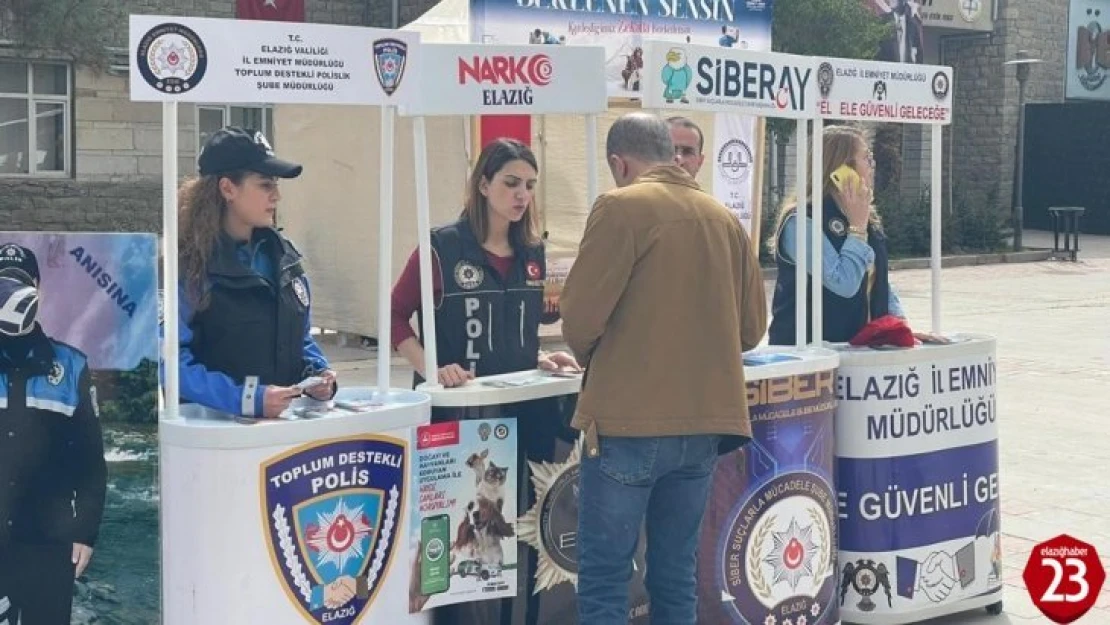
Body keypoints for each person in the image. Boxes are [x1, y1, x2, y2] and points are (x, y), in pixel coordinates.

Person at [560, 112, 767, 625]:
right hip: (704, 425)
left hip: (627, 422)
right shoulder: (722, 217)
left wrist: (596, 355)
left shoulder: (618, 206)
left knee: (606, 576)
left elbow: (580, 319)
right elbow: (752, 329)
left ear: (619, 162)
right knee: (675, 573)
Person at [391, 138, 578, 625]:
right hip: (462, 420)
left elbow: (517, 333)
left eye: (530, 186)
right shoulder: (441, 246)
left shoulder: (534, 253)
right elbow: (393, 317)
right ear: (483, 185)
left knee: (521, 531)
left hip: (527, 414)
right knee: (463, 542)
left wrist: (542, 358)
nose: (522, 195)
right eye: (511, 183)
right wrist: (431, 367)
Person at [171, 126, 337, 418]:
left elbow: (300, 337)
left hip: (282, 438)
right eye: (265, 185)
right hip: (213, 437)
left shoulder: (286, 257)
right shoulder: (187, 266)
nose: (276, 197)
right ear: (227, 188)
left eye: (276, 184)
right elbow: (169, 362)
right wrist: (245, 399)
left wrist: (318, 373)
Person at [0, 243, 107, 624]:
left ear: (37, 288)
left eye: (19, 283)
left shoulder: (71, 366)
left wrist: (85, 531)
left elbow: (92, 461)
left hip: (49, 542)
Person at [767, 124, 911, 345]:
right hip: (808, 352)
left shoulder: (864, 215)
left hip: (858, 348)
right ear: (842, 169)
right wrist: (856, 230)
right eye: (866, 158)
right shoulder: (800, 220)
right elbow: (844, 284)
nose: (872, 166)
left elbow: (877, 278)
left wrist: (899, 324)